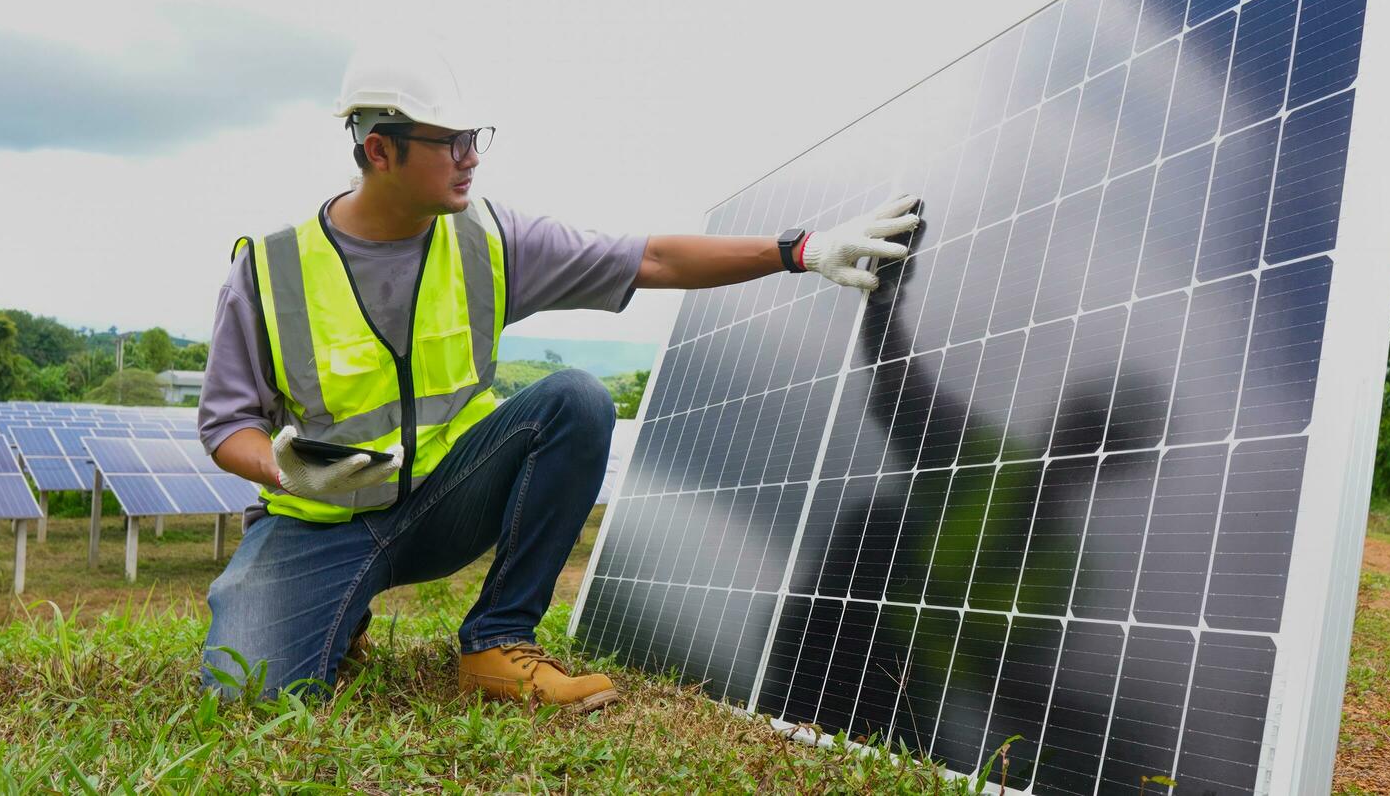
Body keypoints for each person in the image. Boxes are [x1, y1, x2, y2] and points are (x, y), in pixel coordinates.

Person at [197, 40, 922, 708]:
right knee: (245, 697)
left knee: (574, 398)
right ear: (379, 149)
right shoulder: (270, 272)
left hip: (443, 504)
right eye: (447, 142)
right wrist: (290, 474)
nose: (469, 157)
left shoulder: (488, 237)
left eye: (472, 138)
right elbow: (228, 425)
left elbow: (652, 259)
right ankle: (339, 608)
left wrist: (799, 250)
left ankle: (495, 644)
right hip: (321, 525)